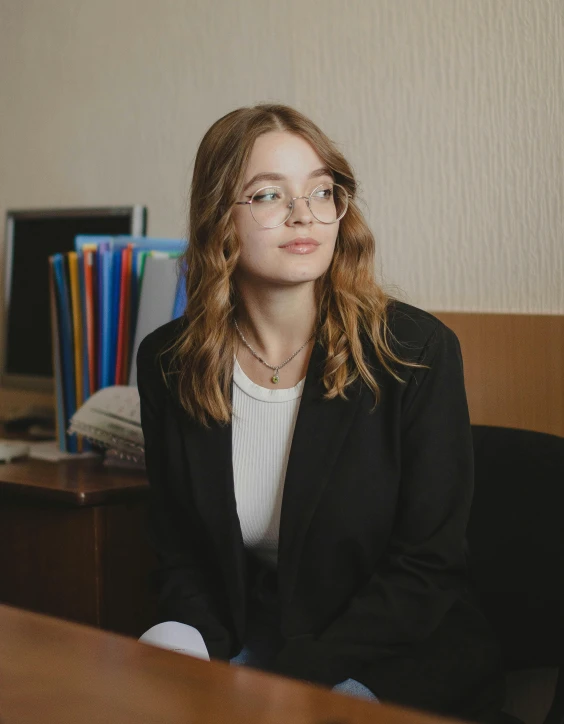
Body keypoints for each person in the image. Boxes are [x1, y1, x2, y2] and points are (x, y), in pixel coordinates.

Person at [137, 103, 505, 721]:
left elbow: (427, 568)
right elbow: (183, 559)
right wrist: (184, 646)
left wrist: (289, 678)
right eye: (267, 195)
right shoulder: (170, 363)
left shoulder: (414, 353)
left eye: (320, 190)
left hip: (394, 647)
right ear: (217, 219)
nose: (303, 213)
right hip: (261, 633)